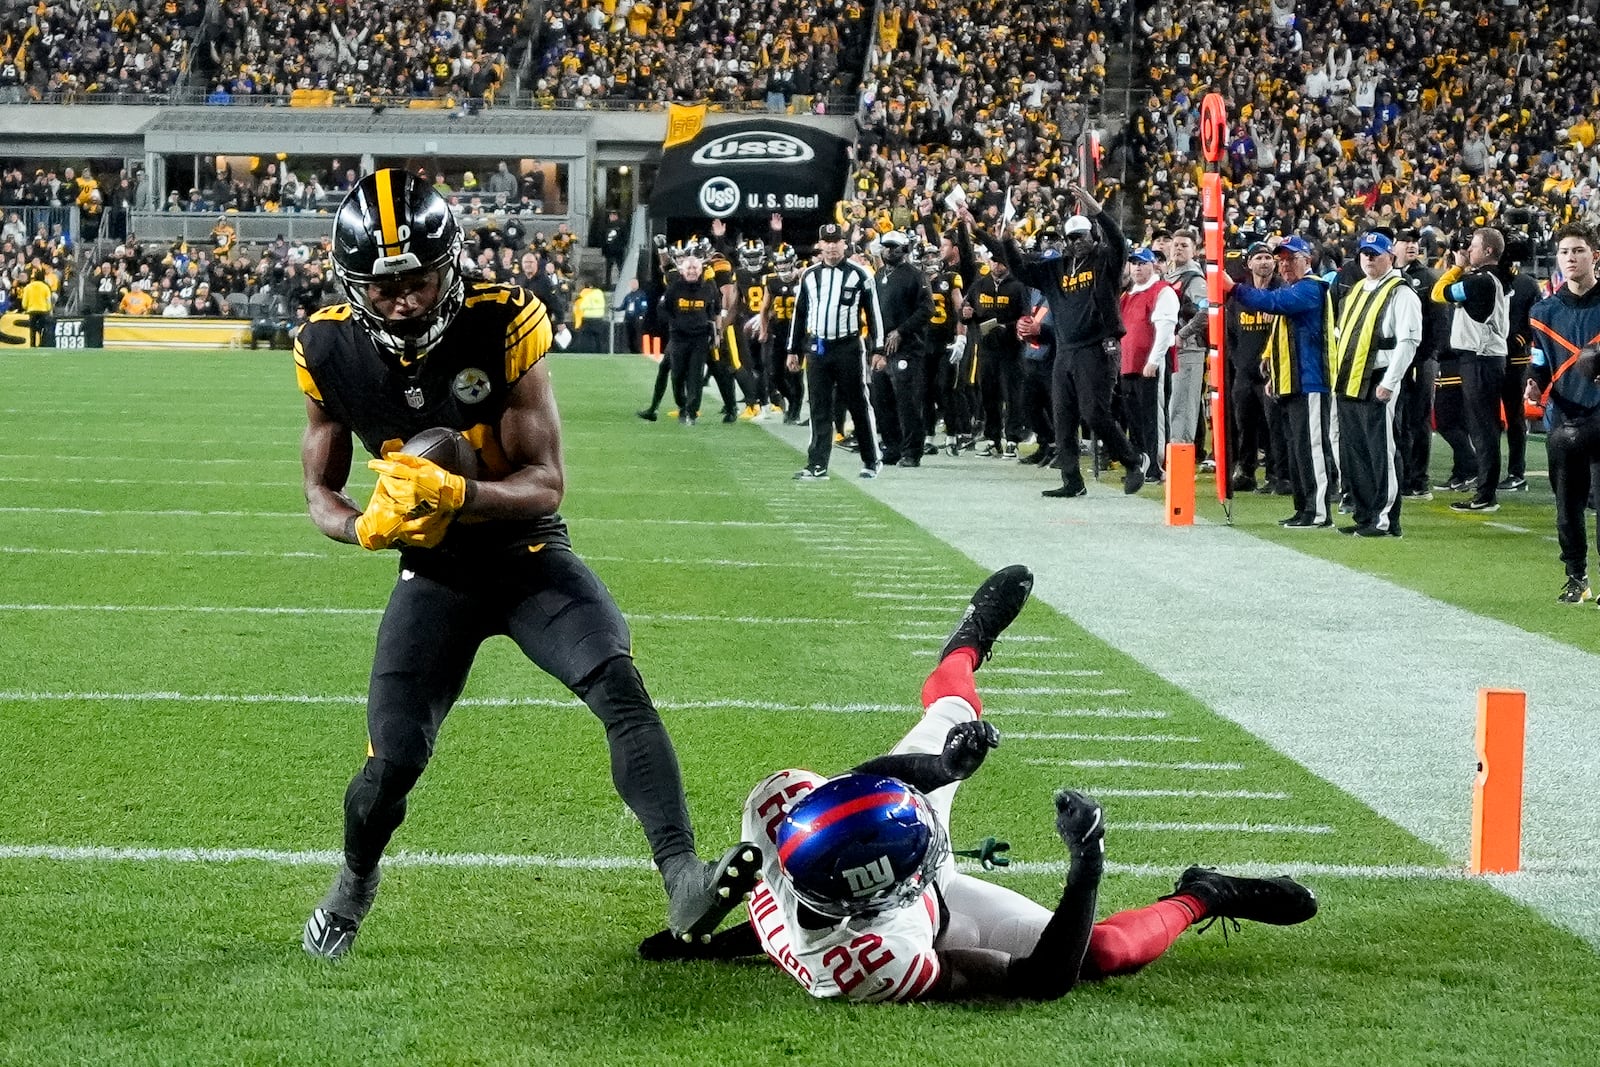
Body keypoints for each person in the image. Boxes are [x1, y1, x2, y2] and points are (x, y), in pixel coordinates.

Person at [293, 170, 755, 959]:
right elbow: (318, 490)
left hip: (525, 552)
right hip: (434, 574)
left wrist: (456, 489)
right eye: (385, 284)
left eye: (418, 279)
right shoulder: (327, 347)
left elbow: (545, 483)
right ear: (353, 284)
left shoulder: (503, 321)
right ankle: (355, 878)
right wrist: (362, 528)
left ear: (452, 265)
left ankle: (682, 872)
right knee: (392, 760)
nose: (403, 299)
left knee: (617, 680)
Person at [637, 565, 1318, 1001]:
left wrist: (945, 771)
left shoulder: (783, 809)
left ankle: (970, 638)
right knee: (1100, 951)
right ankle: (1204, 892)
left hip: (859, 876)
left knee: (951, 713)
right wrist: (1087, 866)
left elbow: (869, 780)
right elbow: (1041, 980)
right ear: (876, 901)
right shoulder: (873, 959)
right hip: (933, 910)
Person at [995, 184, 1148, 498]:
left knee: (1094, 413)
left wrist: (1097, 211)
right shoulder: (1055, 269)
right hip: (1065, 349)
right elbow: (1022, 270)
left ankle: (1134, 461)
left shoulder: (1105, 261)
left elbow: (1118, 241)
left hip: (1098, 346)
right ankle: (1072, 480)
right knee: (1063, 416)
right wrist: (1008, 242)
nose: (1078, 242)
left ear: (1092, 236)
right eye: (1072, 238)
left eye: (1083, 236)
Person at [1222, 235, 1337, 528]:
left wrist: (1233, 288)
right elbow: (1279, 336)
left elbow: (1273, 303)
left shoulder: (1312, 289)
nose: (1284, 265)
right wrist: (1272, 370)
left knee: (1312, 449)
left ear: (1306, 261)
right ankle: (1304, 508)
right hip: (1290, 381)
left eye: (1290, 259)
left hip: (1310, 381)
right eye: (1282, 259)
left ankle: (1319, 512)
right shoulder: (1296, 290)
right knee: (1298, 450)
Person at [1328, 232, 1422, 537]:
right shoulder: (1356, 288)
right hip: (1350, 380)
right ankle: (1364, 513)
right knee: (1356, 452)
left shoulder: (1401, 292)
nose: (1369, 258)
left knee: (1380, 451)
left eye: (1376, 253)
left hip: (1378, 379)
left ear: (1390, 257)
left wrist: (1390, 382)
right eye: (1365, 253)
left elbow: (1408, 341)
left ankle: (1383, 518)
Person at [1527, 224, 1600, 604]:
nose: (1571, 258)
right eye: (1564, 252)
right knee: (1567, 506)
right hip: (1564, 417)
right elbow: (1539, 359)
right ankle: (1577, 577)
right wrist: (1533, 381)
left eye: (1579, 251)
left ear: (1595, 257)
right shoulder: (1544, 311)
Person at [787, 222, 885, 480]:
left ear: (844, 243)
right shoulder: (809, 275)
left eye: (836, 241)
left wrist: (878, 348)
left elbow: (873, 314)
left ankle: (871, 459)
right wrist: (792, 350)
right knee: (818, 406)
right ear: (820, 245)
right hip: (817, 347)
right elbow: (800, 314)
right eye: (827, 242)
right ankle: (817, 464)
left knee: (858, 404)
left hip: (848, 347)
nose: (831, 246)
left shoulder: (860, 274)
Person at [1432, 227, 1511, 513]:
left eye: (1474, 247)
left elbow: (1439, 293)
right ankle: (1485, 490)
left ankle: (1485, 494)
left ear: (1488, 251)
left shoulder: (1480, 281)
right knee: (1483, 426)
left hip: (1480, 359)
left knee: (1483, 428)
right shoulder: (1493, 279)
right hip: (1485, 358)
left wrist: (1456, 266)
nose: (1469, 251)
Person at [870, 230, 935, 466]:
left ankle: (911, 451)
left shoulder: (915, 276)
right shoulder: (878, 275)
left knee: (907, 401)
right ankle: (892, 446)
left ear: (904, 249)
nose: (889, 251)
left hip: (908, 348)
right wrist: (875, 348)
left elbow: (928, 309)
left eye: (894, 247)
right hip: (882, 347)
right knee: (882, 399)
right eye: (886, 246)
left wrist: (902, 331)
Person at [1392, 229, 1448, 501]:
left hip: (1421, 358)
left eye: (1414, 242)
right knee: (1399, 419)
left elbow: (1439, 323)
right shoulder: (1392, 276)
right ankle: (1404, 476)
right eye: (1406, 241)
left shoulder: (1426, 278)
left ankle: (1419, 479)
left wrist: (1429, 356)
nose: (1411, 246)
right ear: (1395, 246)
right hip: (1398, 359)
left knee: (1418, 419)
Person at [1225, 242, 1284, 493]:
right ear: (1248, 264)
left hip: (1274, 373)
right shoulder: (1240, 296)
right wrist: (1239, 362)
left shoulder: (1282, 293)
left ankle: (1277, 475)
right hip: (1245, 372)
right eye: (1258, 258)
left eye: (1268, 257)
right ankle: (1246, 472)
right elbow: (1231, 333)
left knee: (1274, 427)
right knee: (1244, 425)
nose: (1264, 262)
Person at [1120, 247, 1179, 479]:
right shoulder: (1128, 295)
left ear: (1153, 265)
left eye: (1142, 263)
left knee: (1153, 417)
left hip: (1150, 365)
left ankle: (1156, 465)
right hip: (1129, 364)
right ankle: (1139, 464)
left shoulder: (1161, 291)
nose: (1137, 267)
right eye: (1133, 263)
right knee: (1134, 418)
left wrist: (1154, 360)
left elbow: (1165, 329)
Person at [656, 245, 721, 425]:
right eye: (689, 268)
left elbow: (715, 311)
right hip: (678, 337)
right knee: (677, 375)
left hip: (699, 338)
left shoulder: (708, 288)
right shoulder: (674, 288)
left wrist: (717, 334)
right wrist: (675, 323)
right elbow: (662, 310)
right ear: (683, 271)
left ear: (700, 271)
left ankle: (692, 412)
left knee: (695, 375)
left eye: (695, 268)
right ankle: (682, 405)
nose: (692, 271)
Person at [20, 268, 53, 346]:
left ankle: (32, 345)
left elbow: (24, 302)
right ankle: (42, 344)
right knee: (42, 329)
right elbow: (48, 301)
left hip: (32, 310)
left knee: (32, 329)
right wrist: (49, 310)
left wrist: (25, 307)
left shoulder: (28, 287)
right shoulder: (45, 287)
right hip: (43, 311)